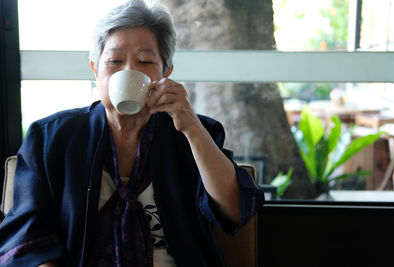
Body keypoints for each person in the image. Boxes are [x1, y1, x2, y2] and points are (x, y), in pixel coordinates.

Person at [0, 0, 264, 266]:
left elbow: (236, 211)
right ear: (95, 69)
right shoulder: (50, 139)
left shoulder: (194, 133)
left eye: (145, 61)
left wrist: (192, 128)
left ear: (165, 73)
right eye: (114, 61)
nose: (129, 71)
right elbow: (29, 238)